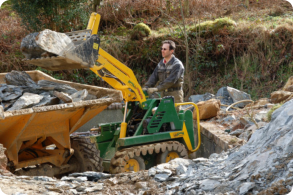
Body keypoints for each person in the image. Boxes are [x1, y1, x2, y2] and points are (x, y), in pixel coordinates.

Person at [144, 40, 184, 105]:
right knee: (163, 114)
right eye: (162, 49)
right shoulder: (161, 64)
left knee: (173, 114)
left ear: (172, 51)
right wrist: (146, 87)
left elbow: (171, 80)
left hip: (175, 95)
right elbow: (154, 77)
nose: (162, 51)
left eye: (165, 49)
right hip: (163, 94)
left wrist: (157, 89)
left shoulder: (177, 65)